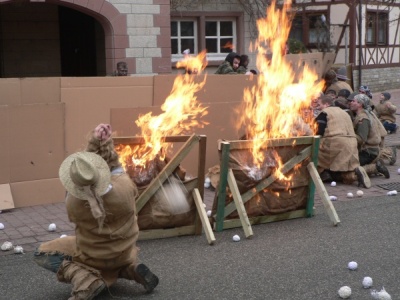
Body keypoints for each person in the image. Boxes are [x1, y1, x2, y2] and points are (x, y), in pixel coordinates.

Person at [33, 124, 159, 299]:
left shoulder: (74, 202)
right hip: (123, 251)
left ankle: (86, 280)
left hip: (94, 255)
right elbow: (116, 166)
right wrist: (103, 143)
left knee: (41, 252)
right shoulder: (125, 187)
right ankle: (130, 269)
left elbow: (83, 174)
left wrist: (92, 146)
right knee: (119, 252)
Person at [315, 95, 370, 188]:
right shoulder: (345, 112)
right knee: (345, 170)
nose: (317, 107)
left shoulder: (324, 113)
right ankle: (355, 174)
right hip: (352, 143)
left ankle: (323, 174)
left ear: (326, 104)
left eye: (319, 104)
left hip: (335, 142)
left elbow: (318, 131)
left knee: (314, 154)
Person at [348, 94, 390, 179]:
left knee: (349, 167)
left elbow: (361, 139)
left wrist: (347, 134)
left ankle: (375, 168)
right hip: (371, 150)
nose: (351, 103)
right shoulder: (368, 114)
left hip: (368, 152)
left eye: (353, 101)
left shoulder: (363, 119)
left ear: (360, 104)